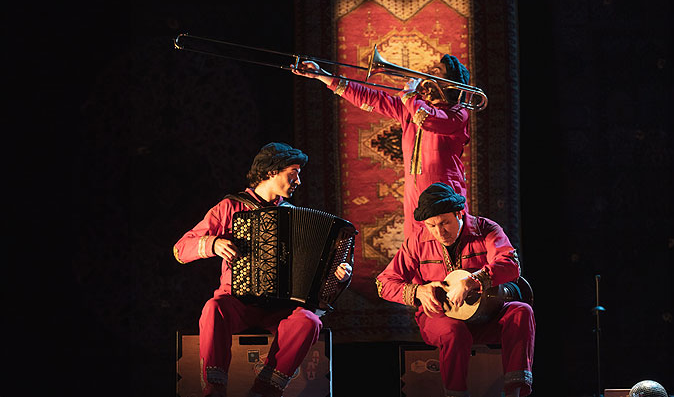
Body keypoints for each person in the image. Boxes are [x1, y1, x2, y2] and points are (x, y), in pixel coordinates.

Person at [173, 142, 353, 397]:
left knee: (310, 321)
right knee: (213, 309)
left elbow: (315, 271)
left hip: (281, 308)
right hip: (238, 302)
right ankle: (215, 389)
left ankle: (265, 390)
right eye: (294, 172)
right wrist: (212, 243)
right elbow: (181, 249)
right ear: (271, 172)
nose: (299, 181)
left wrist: (336, 273)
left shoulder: (292, 216)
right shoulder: (229, 208)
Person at [375, 182, 535, 397]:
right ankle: (456, 394)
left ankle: (515, 392)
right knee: (454, 331)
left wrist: (472, 281)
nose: (439, 232)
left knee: (521, 311)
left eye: (445, 223)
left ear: (459, 213)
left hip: (486, 316)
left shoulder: (485, 229)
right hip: (440, 319)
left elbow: (510, 265)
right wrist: (418, 291)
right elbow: (383, 283)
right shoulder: (417, 242)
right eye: (431, 225)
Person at [292, 53, 471, 238]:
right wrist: (322, 75)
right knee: (418, 251)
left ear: (450, 83)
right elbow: (371, 99)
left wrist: (410, 94)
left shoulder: (458, 112)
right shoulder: (412, 107)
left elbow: (428, 120)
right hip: (414, 196)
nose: (426, 72)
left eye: (436, 71)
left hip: (446, 193)